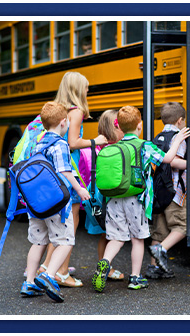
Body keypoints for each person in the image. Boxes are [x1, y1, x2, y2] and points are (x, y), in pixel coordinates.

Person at [91, 105, 190, 292]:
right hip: (135, 200)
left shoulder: (115, 146)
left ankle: (105, 262)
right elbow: (168, 158)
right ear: (140, 125)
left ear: (119, 127)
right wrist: (177, 140)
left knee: (116, 239)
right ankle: (135, 278)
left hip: (114, 199)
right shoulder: (145, 146)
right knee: (137, 239)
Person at [37, 72, 108, 287]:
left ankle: (46, 266)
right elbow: (73, 142)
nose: (87, 91)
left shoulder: (59, 108)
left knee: (59, 223)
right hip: (71, 168)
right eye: (86, 87)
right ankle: (62, 272)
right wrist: (95, 140)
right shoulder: (75, 112)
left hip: (55, 172)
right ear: (78, 89)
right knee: (70, 222)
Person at [20, 102, 90, 303]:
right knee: (66, 241)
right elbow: (64, 171)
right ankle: (49, 275)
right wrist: (80, 189)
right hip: (56, 203)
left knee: (38, 242)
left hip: (36, 203)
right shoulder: (60, 144)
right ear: (63, 122)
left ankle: (30, 282)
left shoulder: (37, 142)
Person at [146, 102, 190, 279]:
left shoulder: (159, 137)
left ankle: (154, 268)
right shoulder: (180, 136)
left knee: (159, 231)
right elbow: (174, 161)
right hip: (174, 192)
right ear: (180, 120)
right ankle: (160, 250)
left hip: (158, 191)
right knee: (183, 225)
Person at [78, 110, 125, 280]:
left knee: (105, 234)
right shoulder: (114, 149)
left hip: (98, 196)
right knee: (110, 234)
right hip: (108, 196)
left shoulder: (98, 147)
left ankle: (103, 265)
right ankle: (107, 268)